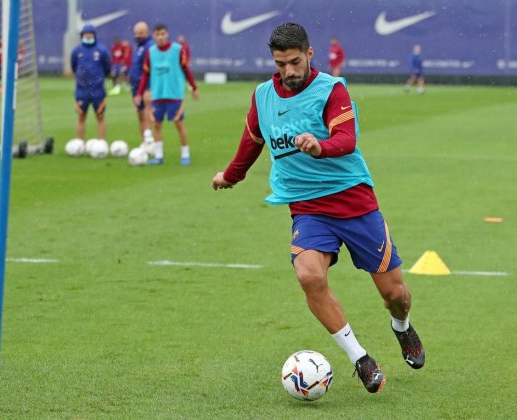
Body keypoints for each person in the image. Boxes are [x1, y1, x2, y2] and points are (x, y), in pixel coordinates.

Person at [212, 22, 425, 394]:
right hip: (308, 209)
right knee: (309, 275)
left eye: (295, 62)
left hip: (354, 202)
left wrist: (319, 146)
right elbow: (252, 139)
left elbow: (346, 138)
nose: (289, 72)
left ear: (310, 54)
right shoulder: (263, 96)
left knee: (395, 295)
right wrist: (231, 176)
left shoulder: (332, 90)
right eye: (281, 64)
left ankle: (403, 329)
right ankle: (361, 359)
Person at [135, 23, 199, 166]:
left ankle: (185, 155)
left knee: (179, 124)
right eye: (157, 34)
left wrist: (194, 87)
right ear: (154, 36)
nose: (160, 37)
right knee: (156, 125)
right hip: (157, 96)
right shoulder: (151, 52)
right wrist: (139, 93)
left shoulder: (177, 50)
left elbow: (186, 70)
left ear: (167, 34)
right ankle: (158, 156)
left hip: (174, 95)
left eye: (163, 34)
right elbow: (145, 74)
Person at [70, 24, 111, 141]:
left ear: (94, 35)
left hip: (97, 90)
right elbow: (74, 67)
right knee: (81, 117)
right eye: (86, 34)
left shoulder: (101, 50)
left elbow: (107, 68)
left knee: (100, 116)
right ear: (82, 35)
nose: (88, 36)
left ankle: (102, 143)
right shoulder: (77, 51)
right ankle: (79, 144)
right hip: (82, 91)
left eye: (90, 34)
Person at [129, 21, 154, 145]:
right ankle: (144, 141)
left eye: (141, 33)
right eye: (136, 33)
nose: (138, 35)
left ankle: (151, 142)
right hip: (135, 86)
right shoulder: (137, 47)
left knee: (147, 115)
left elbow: (150, 69)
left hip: (146, 86)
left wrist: (149, 88)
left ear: (147, 33)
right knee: (140, 115)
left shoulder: (150, 47)